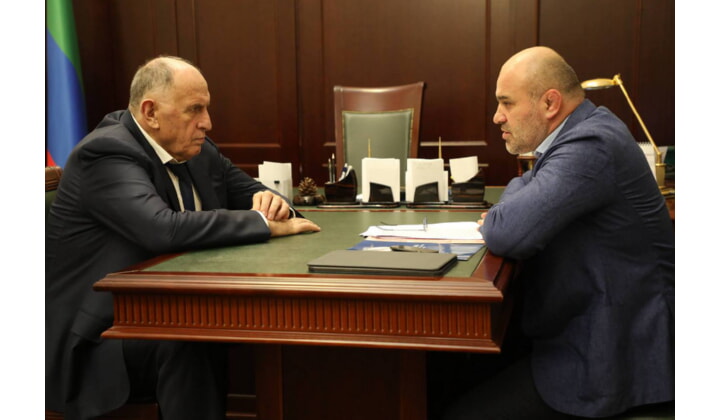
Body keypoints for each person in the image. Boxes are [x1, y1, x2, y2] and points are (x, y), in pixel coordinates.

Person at [46, 55, 321, 420]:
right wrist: (261, 223)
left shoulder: (198, 149)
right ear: (151, 113)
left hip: (160, 307)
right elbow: (163, 229)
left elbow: (263, 197)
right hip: (100, 336)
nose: (207, 122)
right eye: (194, 109)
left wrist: (273, 205)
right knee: (189, 340)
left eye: (206, 108)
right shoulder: (107, 153)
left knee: (217, 331)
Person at [443, 46, 674, 419]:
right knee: (450, 374)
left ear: (550, 103)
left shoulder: (590, 144)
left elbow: (507, 231)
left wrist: (510, 205)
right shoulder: (585, 130)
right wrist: (519, 194)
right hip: (588, 325)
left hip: (614, 356)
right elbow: (523, 185)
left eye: (506, 103)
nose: (497, 116)